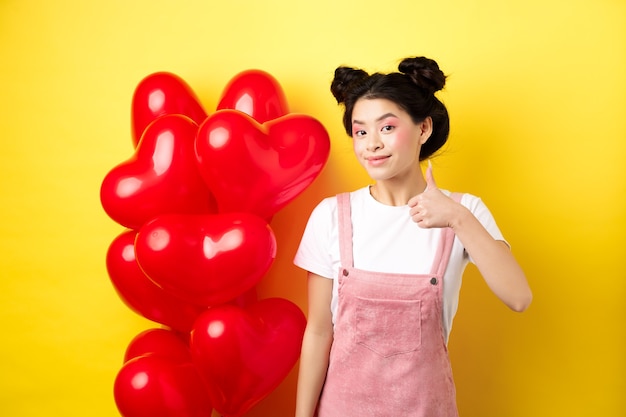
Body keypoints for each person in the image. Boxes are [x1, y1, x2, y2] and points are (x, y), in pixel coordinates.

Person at [293, 56, 533, 417]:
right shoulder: (331, 215)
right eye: (360, 131)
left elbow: (519, 297)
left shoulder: (463, 211)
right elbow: (318, 332)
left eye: (387, 128)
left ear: (423, 129)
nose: (371, 144)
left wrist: (456, 218)